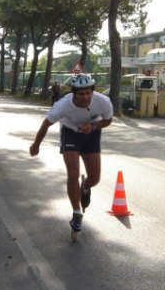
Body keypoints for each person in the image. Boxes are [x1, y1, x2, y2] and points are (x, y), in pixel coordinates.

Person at [29, 74, 113, 238]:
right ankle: (76, 213)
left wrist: (94, 125)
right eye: (81, 94)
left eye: (88, 93)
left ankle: (86, 186)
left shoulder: (103, 101)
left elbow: (108, 120)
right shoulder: (63, 105)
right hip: (70, 133)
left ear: (93, 92)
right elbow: (46, 124)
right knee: (73, 173)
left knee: (95, 179)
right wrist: (36, 145)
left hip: (91, 133)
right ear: (73, 93)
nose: (85, 97)